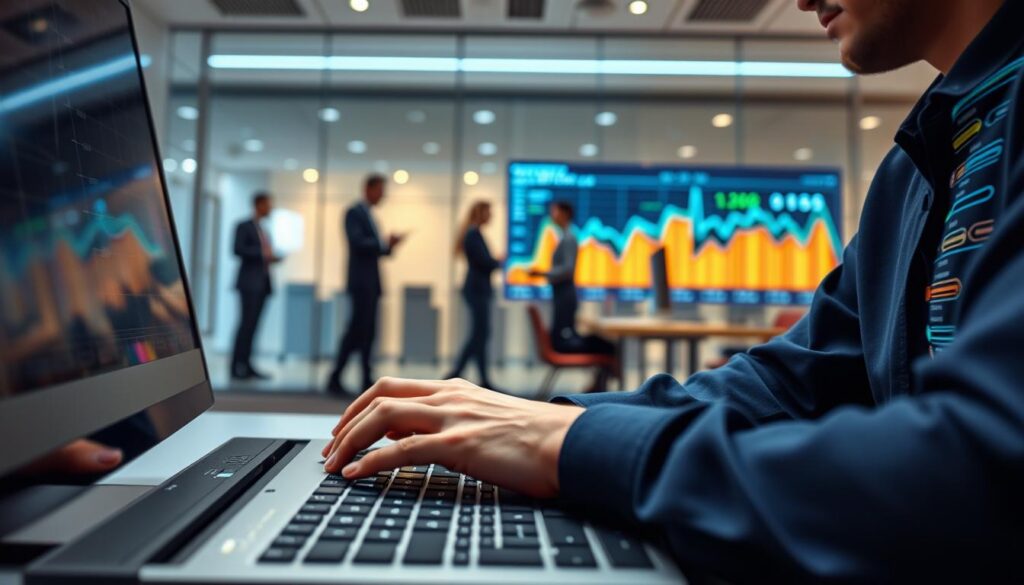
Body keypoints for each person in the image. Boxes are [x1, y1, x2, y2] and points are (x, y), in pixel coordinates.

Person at [323, 0, 1024, 581]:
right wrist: (540, 421)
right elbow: (788, 383)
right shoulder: (917, 167)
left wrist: (577, 446)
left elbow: (978, 479)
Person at [327, 175, 405, 395]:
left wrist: (389, 246)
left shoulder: (370, 215)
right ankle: (336, 377)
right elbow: (358, 243)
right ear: (368, 189)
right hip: (361, 282)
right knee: (356, 330)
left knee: (367, 331)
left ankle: (364, 377)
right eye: (380, 190)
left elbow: (376, 250)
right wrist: (382, 244)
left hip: (370, 282)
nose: (383, 195)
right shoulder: (354, 212)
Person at [529, 201, 615, 389]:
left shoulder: (568, 238)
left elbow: (567, 270)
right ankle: (598, 391)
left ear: (565, 214)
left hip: (564, 311)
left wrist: (542, 274)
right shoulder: (567, 237)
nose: (552, 215)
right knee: (610, 347)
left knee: (604, 344)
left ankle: (597, 391)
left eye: (555, 211)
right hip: (562, 342)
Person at [444, 201, 502, 388]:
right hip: (476, 289)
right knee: (479, 334)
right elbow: (484, 262)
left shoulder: (474, 233)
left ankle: (474, 377)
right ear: (481, 212)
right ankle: (458, 374)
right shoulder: (473, 234)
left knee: (480, 334)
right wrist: (498, 261)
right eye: (489, 212)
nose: (491, 216)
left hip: (478, 289)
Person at [230, 192, 279, 380]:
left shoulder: (264, 230)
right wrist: (263, 254)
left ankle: (248, 364)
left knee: (254, 326)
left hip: (263, 284)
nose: (270, 208)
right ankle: (236, 367)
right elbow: (237, 249)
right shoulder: (243, 226)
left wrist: (272, 258)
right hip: (248, 284)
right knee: (245, 325)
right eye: (268, 204)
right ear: (258, 205)